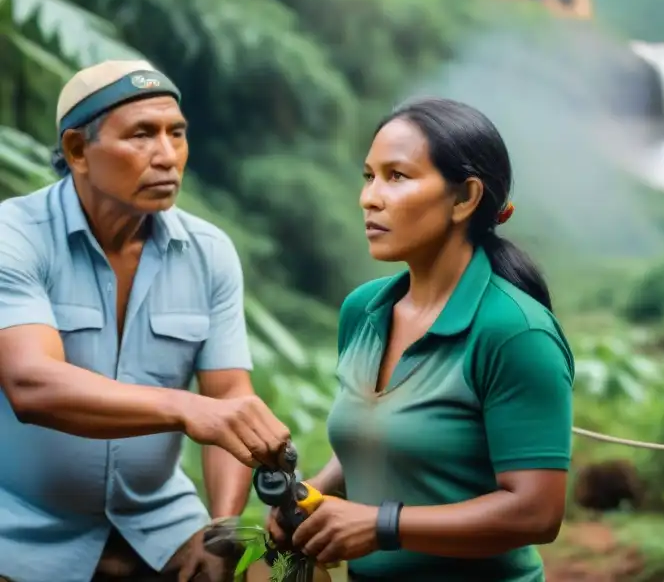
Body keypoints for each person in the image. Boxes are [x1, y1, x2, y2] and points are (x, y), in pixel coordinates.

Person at [0, 61, 292, 582]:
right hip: (21, 527)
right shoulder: (15, 237)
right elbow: (31, 385)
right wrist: (183, 408)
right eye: (141, 135)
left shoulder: (209, 252)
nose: (166, 156)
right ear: (76, 151)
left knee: (257, 572)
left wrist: (222, 527)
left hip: (158, 521)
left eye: (175, 134)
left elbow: (229, 399)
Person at [266, 98, 575, 581]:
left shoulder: (516, 333)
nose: (370, 197)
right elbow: (375, 442)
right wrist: (314, 496)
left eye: (397, 177)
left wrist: (384, 525)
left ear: (464, 198)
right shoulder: (363, 312)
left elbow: (536, 513)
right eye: (369, 176)